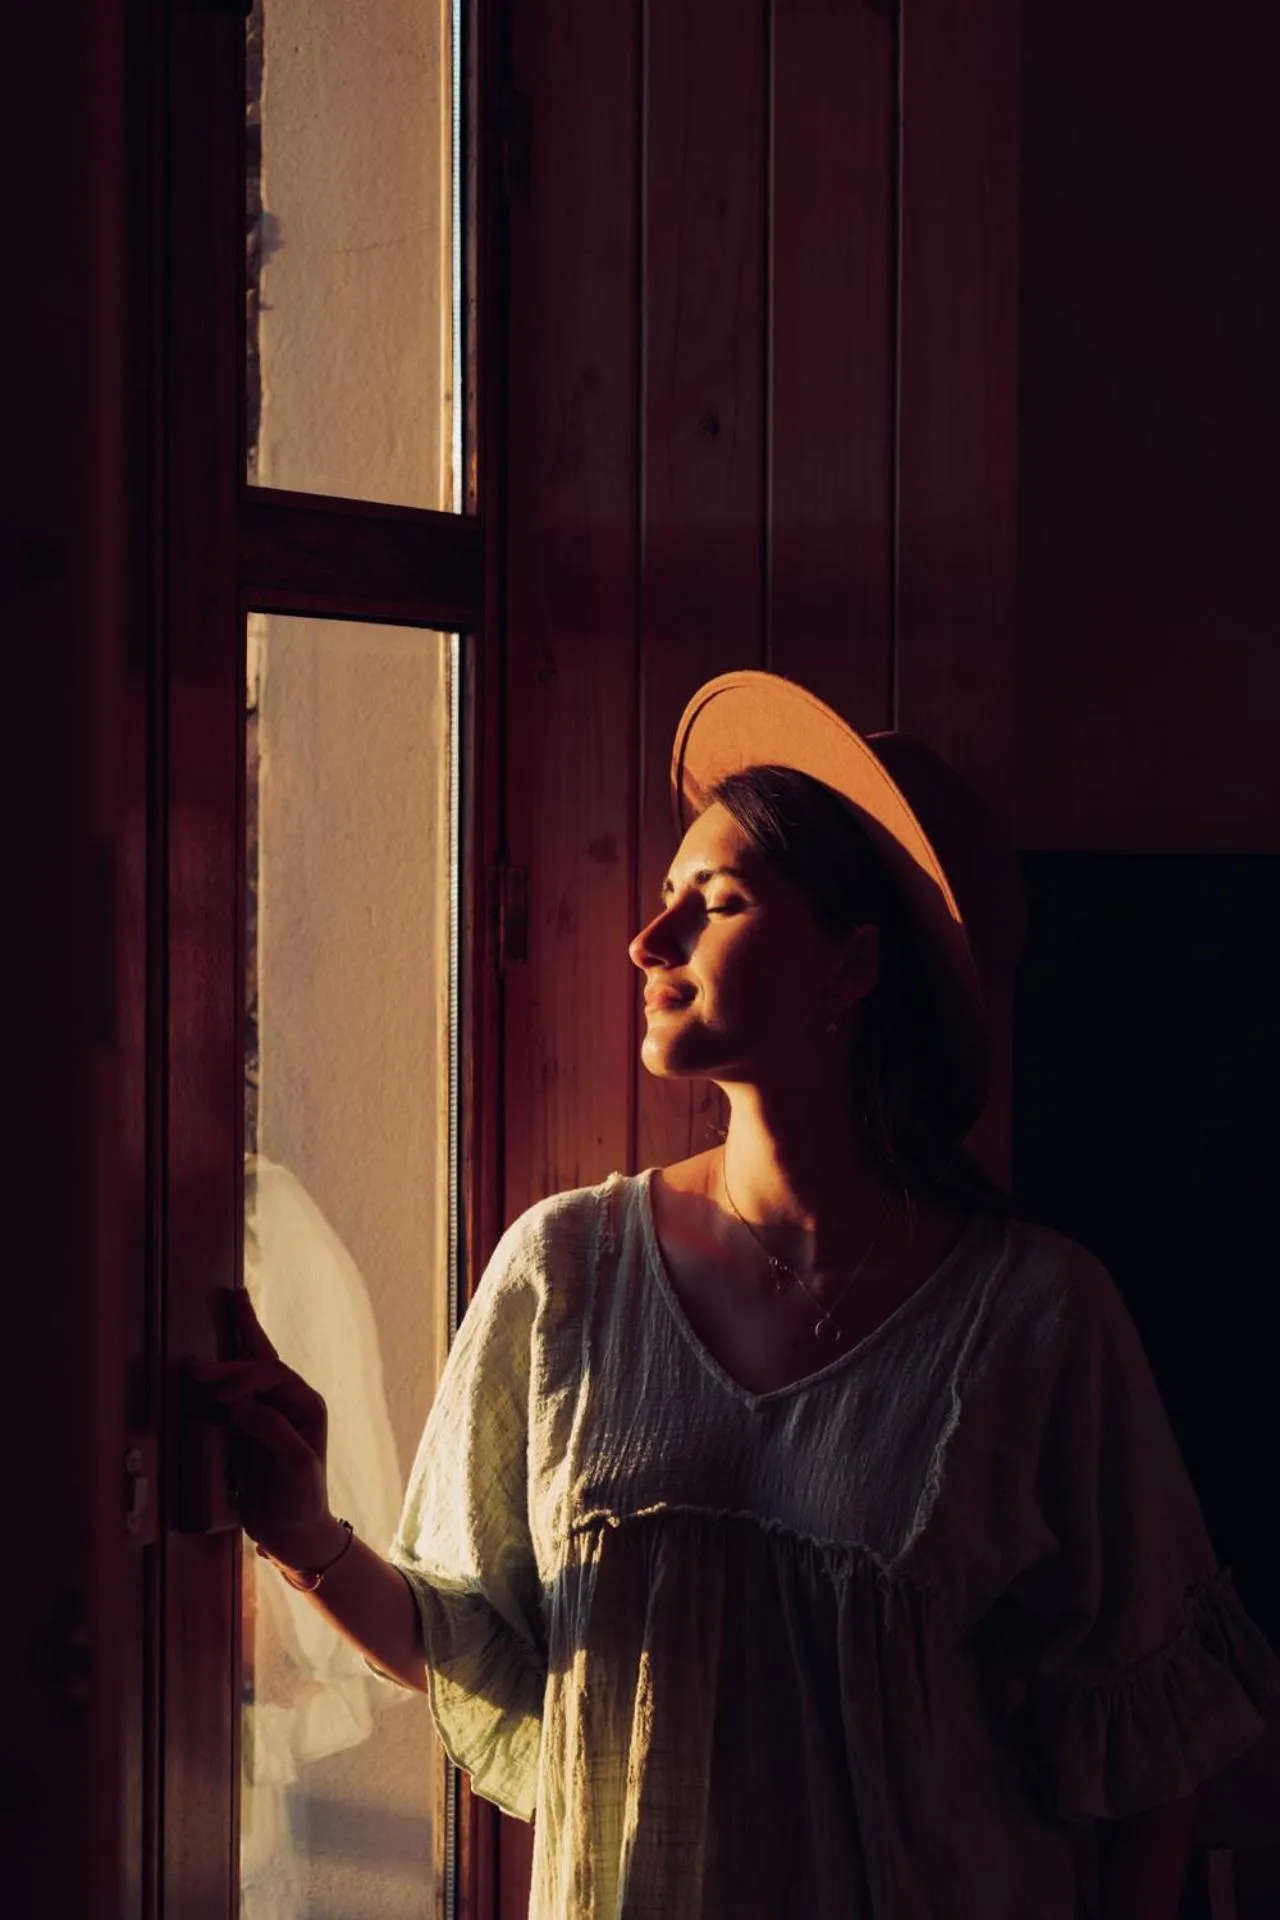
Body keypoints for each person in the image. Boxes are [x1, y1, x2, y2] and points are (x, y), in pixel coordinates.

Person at [196, 671, 1280, 1918]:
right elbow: (484, 1657)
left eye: (711, 906)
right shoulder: (564, 1273)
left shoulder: (1033, 1316)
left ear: (851, 965)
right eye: (663, 901)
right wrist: (304, 1533)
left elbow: (1157, 1731)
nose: (646, 944)